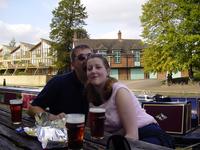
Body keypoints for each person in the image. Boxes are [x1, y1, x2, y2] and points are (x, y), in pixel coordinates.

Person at [84, 54, 174, 148]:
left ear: (107, 70)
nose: (93, 71)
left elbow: (132, 136)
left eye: (98, 67)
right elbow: (90, 130)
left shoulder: (119, 91)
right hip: (117, 139)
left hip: (146, 135)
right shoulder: (90, 93)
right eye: (89, 69)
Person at [28, 44, 93, 120]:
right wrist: (53, 118)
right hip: (64, 130)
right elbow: (32, 109)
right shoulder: (58, 82)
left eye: (90, 56)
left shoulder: (101, 84)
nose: (87, 60)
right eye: (81, 58)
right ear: (73, 65)